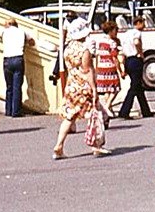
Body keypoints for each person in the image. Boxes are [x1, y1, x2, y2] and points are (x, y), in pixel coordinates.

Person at [52, 17, 98, 159]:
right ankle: (96, 144)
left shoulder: (67, 49)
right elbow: (87, 70)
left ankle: (59, 145)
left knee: (70, 116)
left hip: (71, 85)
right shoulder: (84, 50)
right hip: (83, 86)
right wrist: (94, 88)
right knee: (93, 114)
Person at [117, 16, 154, 119]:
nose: (144, 26)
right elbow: (136, 42)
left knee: (138, 87)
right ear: (138, 23)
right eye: (143, 23)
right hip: (135, 60)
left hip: (128, 60)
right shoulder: (136, 33)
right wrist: (140, 52)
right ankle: (124, 111)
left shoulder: (126, 34)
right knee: (134, 87)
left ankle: (146, 111)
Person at [1, 18, 35, 117]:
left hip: (7, 59)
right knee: (17, 86)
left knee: (9, 86)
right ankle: (16, 111)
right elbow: (32, 42)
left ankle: (8, 110)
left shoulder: (3, 32)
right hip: (18, 58)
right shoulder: (22, 31)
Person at [92, 20, 123, 122]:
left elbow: (97, 56)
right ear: (110, 31)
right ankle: (107, 106)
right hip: (110, 67)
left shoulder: (100, 41)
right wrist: (120, 70)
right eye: (115, 30)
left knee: (106, 90)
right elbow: (114, 58)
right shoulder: (112, 43)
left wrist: (97, 68)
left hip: (101, 67)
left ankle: (109, 110)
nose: (117, 32)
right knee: (115, 88)